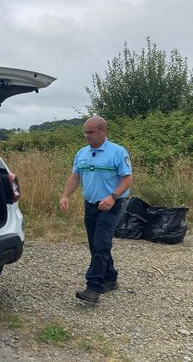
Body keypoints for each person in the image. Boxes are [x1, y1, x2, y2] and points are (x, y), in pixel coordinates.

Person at [59, 116, 133, 303]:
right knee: (95, 244)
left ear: (103, 131)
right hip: (91, 205)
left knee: (101, 243)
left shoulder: (118, 152)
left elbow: (127, 180)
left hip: (111, 204)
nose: (87, 136)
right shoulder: (82, 153)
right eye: (85, 132)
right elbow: (74, 178)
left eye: (90, 132)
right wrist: (65, 195)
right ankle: (110, 277)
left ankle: (93, 287)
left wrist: (112, 196)